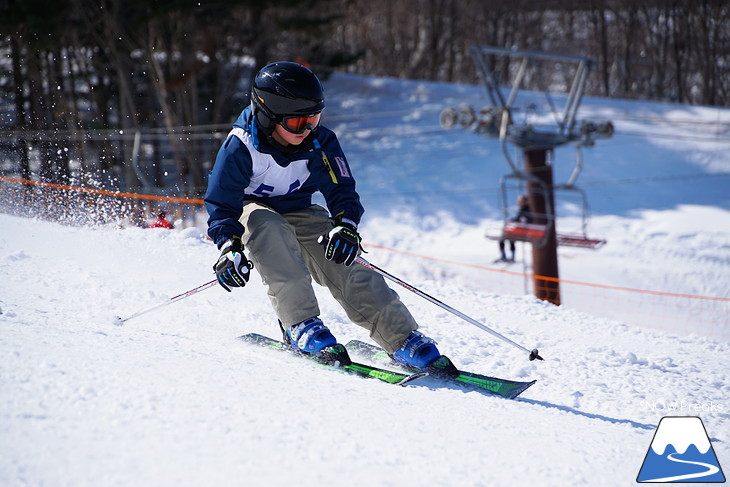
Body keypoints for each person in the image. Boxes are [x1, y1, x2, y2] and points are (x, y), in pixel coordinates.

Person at [204, 61, 445, 370]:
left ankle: (401, 337)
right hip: (251, 212)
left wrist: (345, 226)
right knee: (270, 226)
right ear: (268, 117)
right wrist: (229, 247)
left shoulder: (319, 141)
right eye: (296, 123)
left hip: (300, 209)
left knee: (345, 262)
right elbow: (222, 203)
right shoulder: (241, 146)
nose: (306, 129)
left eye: (313, 118)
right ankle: (300, 324)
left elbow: (341, 189)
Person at [498, 195, 531, 262]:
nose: (517, 202)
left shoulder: (524, 209)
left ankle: (504, 256)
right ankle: (512, 257)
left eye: (519, 201)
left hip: (522, 231)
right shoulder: (525, 209)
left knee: (503, 239)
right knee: (510, 239)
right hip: (522, 229)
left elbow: (519, 219)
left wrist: (511, 220)